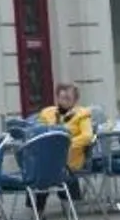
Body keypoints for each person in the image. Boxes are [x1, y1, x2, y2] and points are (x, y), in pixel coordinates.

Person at [33, 81, 94, 211]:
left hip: (70, 159)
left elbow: (87, 136)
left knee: (49, 171)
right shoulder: (47, 113)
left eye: (67, 98)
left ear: (75, 100)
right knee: (39, 173)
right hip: (49, 160)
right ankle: (37, 213)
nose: (63, 101)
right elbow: (37, 132)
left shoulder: (82, 115)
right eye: (61, 98)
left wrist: (64, 144)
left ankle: (65, 205)